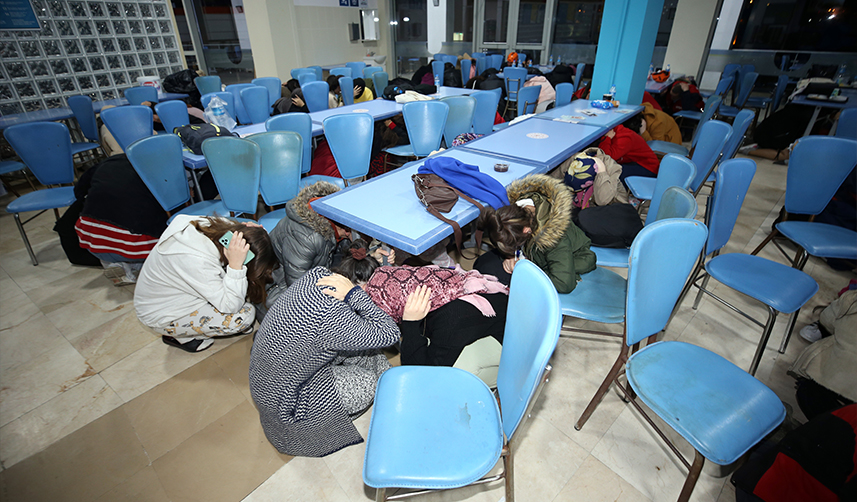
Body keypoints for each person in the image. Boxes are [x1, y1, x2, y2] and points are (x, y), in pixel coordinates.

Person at [249, 239, 400, 457]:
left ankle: (387, 383)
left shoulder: (319, 275)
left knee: (367, 349)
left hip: (270, 383)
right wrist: (354, 296)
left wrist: (371, 266)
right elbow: (389, 333)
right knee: (367, 382)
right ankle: (333, 412)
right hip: (288, 404)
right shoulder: (335, 317)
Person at [134, 215, 278, 353]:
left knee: (238, 288)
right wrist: (235, 266)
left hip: (171, 293)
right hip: (164, 314)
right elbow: (231, 306)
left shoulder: (213, 227)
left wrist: (255, 234)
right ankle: (179, 336)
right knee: (243, 316)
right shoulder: (197, 261)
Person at [266, 181, 392, 311]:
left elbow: (343, 257)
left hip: (312, 273)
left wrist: (370, 256)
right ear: (348, 230)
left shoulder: (333, 221)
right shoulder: (308, 238)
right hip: (277, 290)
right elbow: (297, 288)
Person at [364, 265, 509, 367]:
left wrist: (411, 324)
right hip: (495, 314)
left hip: (510, 341)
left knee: (456, 369)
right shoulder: (429, 280)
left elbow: (421, 372)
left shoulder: (450, 319)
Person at [476, 174, 596, 293]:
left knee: (495, 277)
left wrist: (526, 273)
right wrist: (511, 256)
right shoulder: (518, 212)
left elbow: (564, 283)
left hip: (567, 260)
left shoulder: (555, 238)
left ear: (527, 230)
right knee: (482, 264)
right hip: (534, 254)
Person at [598, 114, 660, 186]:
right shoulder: (616, 131)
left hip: (648, 168)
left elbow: (606, 157)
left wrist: (606, 138)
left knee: (612, 173)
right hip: (634, 162)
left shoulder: (624, 137)